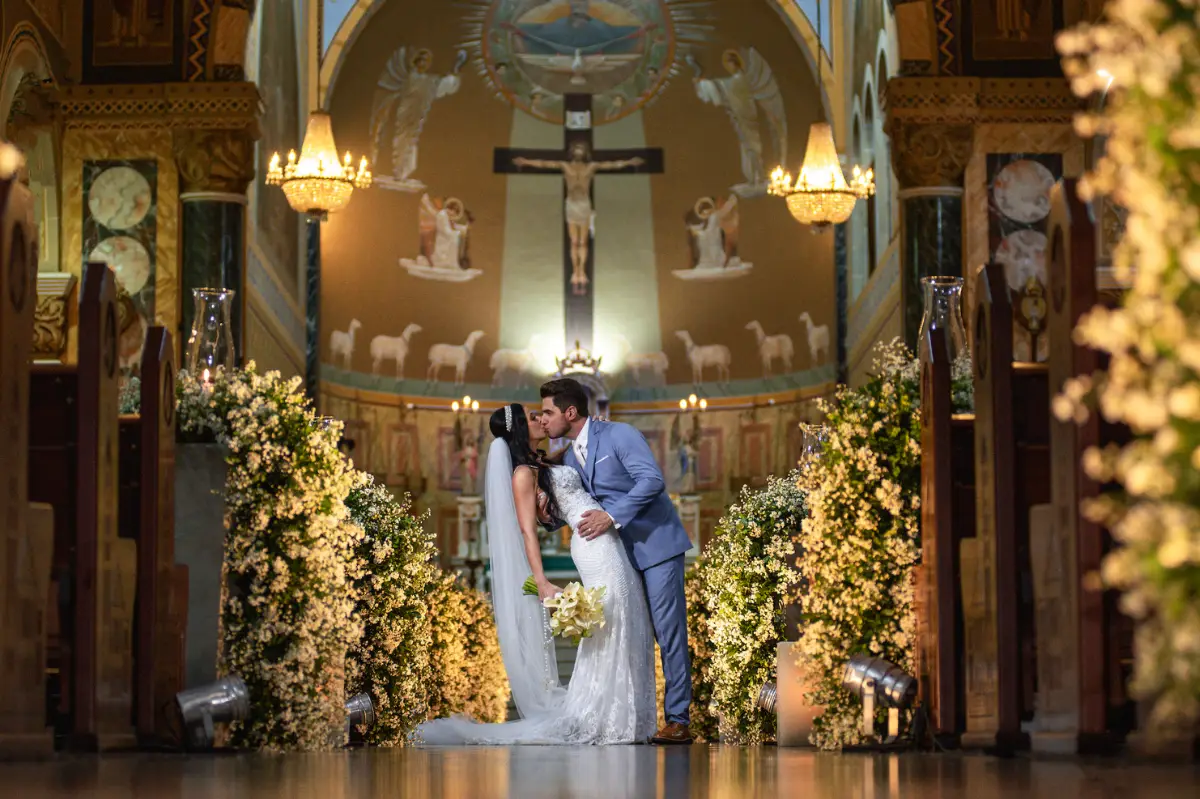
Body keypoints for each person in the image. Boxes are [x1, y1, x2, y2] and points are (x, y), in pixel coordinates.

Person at [415, 403, 657, 745]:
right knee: (611, 621)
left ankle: (626, 716)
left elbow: (574, 464)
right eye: (532, 417)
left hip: (606, 538)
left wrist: (595, 430)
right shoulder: (522, 475)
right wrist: (540, 580)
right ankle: (607, 716)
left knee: (625, 617)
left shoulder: (541, 463)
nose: (541, 419)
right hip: (593, 544)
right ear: (518, 429)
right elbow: (528, 531)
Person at [539, 378, 695, 745]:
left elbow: (651, 481)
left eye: (548, 411)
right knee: (632, 634)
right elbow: (577, 503)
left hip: (656, 545)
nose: (543, 419)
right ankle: (639, 716)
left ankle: (679, 720)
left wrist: (612, 516)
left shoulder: (620, 435)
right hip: (618, 557)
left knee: (668, 633)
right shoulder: (569, 456)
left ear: (570, 412)